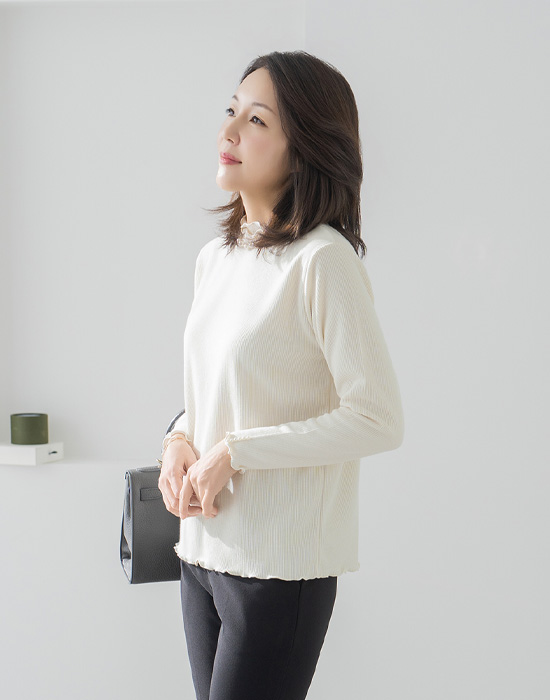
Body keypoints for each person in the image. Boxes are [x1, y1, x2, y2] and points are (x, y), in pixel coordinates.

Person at [157, 50, 405, 700]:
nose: (229, 132)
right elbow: (219, 394)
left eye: (257, 120)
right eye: (232, 111)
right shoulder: (216, 259)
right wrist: (178, 439)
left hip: (277, 569)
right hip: (200, 554)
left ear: (304, 150)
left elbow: (377, 418)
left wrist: (235, 453)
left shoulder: (322, 261)